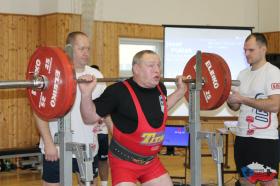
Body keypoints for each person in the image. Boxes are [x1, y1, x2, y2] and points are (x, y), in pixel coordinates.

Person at [78, 50, 188, 186]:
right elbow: (88, 118)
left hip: (151, 163)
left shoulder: (160, 88)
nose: (157, 70)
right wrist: (86, 94)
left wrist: (180, 92)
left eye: (159, 65)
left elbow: (162, 108)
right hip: (124, 163)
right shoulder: (118, 92)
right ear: (136, 69)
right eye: (151, 65)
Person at [34, 31, 106, 186]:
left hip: (87, 149)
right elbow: (39, 112)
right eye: (82, 49)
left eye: (88, 49)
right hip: (57, 149)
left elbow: (103, 110)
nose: (86, 53)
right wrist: (48, 143)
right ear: (69, 49)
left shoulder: (96, 75)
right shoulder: (52, 74)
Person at [227, 33, 280, 186]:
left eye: (251, 50)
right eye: (245, 50)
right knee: (245, 181)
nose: (247, 54)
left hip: (264, 140)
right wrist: (228, 98)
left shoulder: (272, 72)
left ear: (263, 49)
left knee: (268, 182)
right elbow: (236, 106)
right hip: (243, 138)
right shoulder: (242, 74)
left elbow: (275, 105)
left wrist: (242, 98)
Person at [90, 64, 109, 186]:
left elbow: (108, 106)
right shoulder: (85, 89)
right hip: (89, 133)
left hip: (102, 132)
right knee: (91, 161)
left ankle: (104, 184)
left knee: (103, 159)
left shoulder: (103, 87)